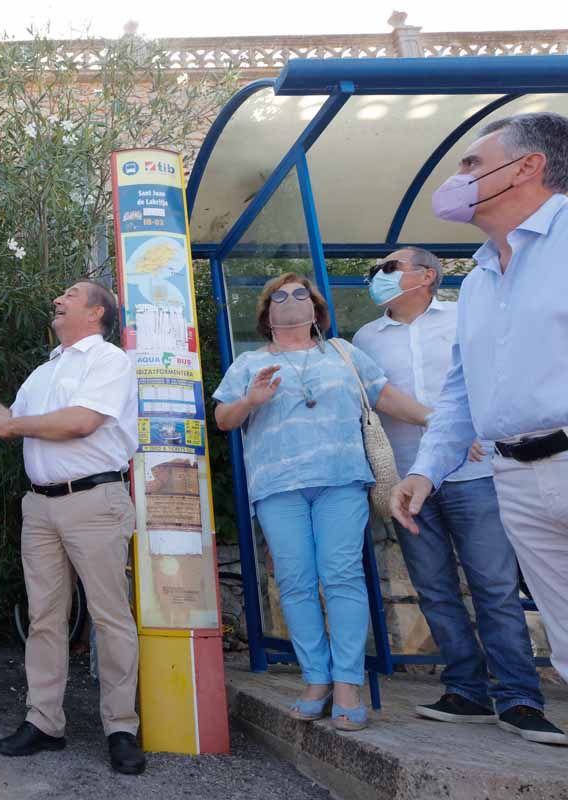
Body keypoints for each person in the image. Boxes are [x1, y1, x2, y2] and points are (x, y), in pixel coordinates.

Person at [393, 112, 568, 746]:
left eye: (471, 164)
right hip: (514, 476)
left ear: (527, 167)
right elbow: (463, 391)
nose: (457, 178)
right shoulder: (479, 280)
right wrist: (423, 470)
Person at [355, 247, 560, 740]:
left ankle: (518, 697)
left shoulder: (463, 318)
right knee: (435, 590)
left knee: (494, 587)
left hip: (479, 478)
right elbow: (375, 399)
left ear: (427, 275)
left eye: (388, 267)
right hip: (407, 480)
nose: (377, 276)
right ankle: (466, 689)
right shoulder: (364, 338)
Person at [213, 273, 429, 732]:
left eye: (300, 294)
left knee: (343, 576)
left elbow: (385, 397)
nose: (290, 300)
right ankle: (316, 678)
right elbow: (223, 419)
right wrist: (251, 399)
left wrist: (438, 422)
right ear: (267, 313)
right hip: (277, 486)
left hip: (342, 480)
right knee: (294, 581)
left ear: (316, 309)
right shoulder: (249, 362)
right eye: (279, 295)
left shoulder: (344, 353)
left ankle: (348, 682)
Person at [0, 280, 145, 775]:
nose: (58, 299)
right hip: (40, 507)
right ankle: (44, 722)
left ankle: (122, 727)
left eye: (70, 293)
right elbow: (8, 422)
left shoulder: (109, 361)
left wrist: (9, 424)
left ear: (96, 311)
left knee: (110, 618)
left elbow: (81, 422)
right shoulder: (46, 370)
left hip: (94, 500)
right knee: (44, 617)